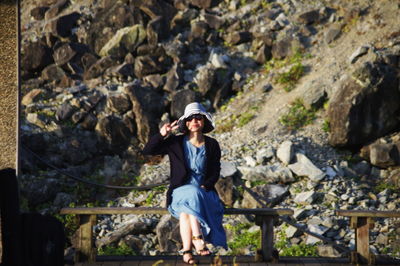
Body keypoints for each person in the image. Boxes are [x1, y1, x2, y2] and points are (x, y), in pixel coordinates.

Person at [142, 102, 227, 264]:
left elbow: (215, 170)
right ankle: (199, 241)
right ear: (186, 123)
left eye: (198, 118)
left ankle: (187, 251)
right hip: (180, 190)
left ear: (204, 121)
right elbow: (148, 151)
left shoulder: (212, 144)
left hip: (204, 192)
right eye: (190, 118)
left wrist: (206, 186)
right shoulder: (175, 142)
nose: (194, 121)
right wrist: (162, 134)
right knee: (191, 195)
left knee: (186, 212)